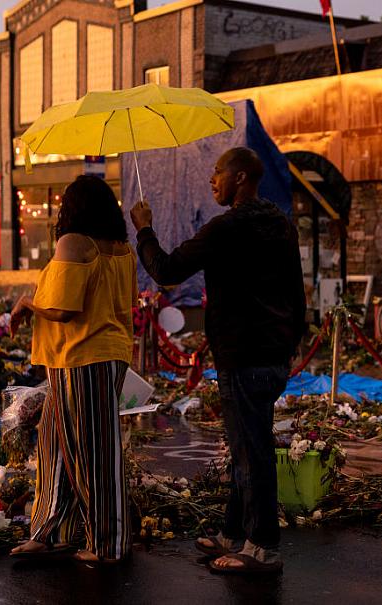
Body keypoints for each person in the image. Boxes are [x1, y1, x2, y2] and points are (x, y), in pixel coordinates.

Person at [130, 147, 305, 574]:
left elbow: (166, 269)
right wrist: (289, 343)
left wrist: (145, 229)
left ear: (241, 177)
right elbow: (297, 291)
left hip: (243, 355)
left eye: (217, 173)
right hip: (272, 353)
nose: (212, 180)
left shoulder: (226, 228)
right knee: (246, 445)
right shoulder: (280, 224)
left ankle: (262, 547)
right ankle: (233, 532)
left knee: (252, 451)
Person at [9, 175, 137, 564]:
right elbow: (128, 300)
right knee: (54, 446)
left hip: (83, 356)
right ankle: (52, 531)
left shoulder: (73, 243)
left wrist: (28, 303)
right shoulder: (121, 248)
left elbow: (65, 310)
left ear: (73, 206)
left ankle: (107, 543)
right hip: (95, 355)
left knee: (93, 452)